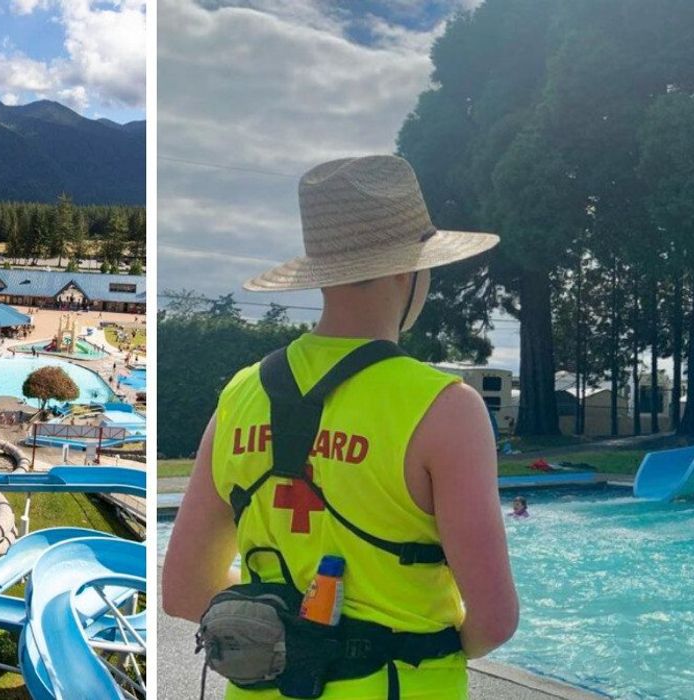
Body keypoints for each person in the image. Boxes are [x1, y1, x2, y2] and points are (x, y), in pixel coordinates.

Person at [162, 156, 518, 699]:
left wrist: (286, 628)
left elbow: (186, 591)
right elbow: (495, 621)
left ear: (321, 272)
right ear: (409, 270)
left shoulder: (239, 395)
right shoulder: (446, 409)